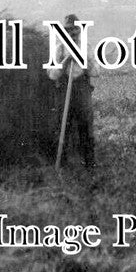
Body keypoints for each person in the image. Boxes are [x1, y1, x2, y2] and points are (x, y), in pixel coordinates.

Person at [47, 14, 96, 169]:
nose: (72, 33)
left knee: (86, 125)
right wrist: (66, 61)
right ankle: (61, 165)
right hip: (63, 89)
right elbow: (51, 74)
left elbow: (96, 72)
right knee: (62, 126)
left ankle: (89, 164)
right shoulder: (59, 49)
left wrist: (84, 60)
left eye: (75, 29)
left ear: (80, 30)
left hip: (82, 89)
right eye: (69, 30)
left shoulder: (86, 47)